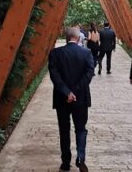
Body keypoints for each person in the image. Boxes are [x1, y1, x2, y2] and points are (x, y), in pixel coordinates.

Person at [48, 27, 95, 172]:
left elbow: (54, 76)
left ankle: (66, 162)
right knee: (81, 129)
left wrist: (67, 92)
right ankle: (80, 157)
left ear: (67, 37)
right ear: (79, 38)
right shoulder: (86, 53)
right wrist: (75, 92)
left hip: (62, 99)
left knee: (64, 129)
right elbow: (89, 74)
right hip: (81, 99)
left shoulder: (55, 53)